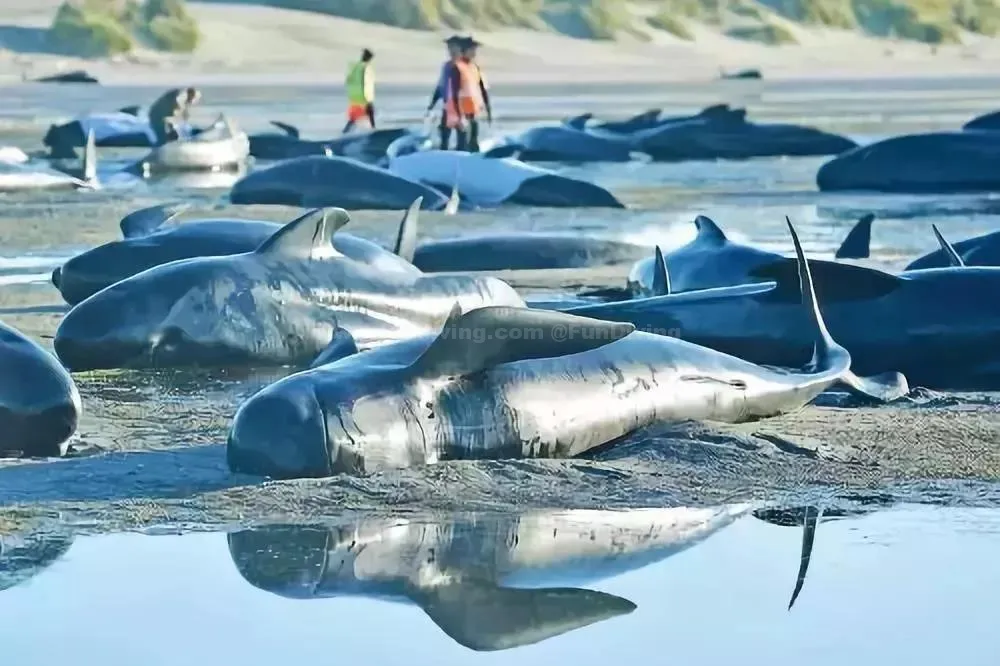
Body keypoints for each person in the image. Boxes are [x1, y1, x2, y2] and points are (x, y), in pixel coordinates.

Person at [445, 37, 492, 152]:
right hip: (461, 111)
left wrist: (488, 109)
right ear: (465, 50)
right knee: (462, 141)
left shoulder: (475, 67)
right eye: (472, 49)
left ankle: (475, 162)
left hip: (473, 110)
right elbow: (454, 92)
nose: (475, 52)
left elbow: (482, 89)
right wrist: (458, 116)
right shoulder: (457, 67)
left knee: (473, 139)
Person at [425, 35, 465, 150]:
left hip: (462, 107)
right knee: (444, 134)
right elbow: (441, 86)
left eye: (453, 47)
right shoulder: (446, 66)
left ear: (460, 48)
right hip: (448, 106)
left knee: (462, 136)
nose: (451, 50)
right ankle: (444, 157)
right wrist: (432, 104)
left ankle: (464, 157)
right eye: (449, 47)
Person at [344, 48, 376, 134]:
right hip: (362, 97)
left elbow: (348, 80)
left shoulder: (354, 67)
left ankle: (344, 133)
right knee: (370, 112)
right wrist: (368, 99)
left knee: (354, 118)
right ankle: (373, 132)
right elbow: (367, 83)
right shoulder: (365, 68)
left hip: (354, 97)